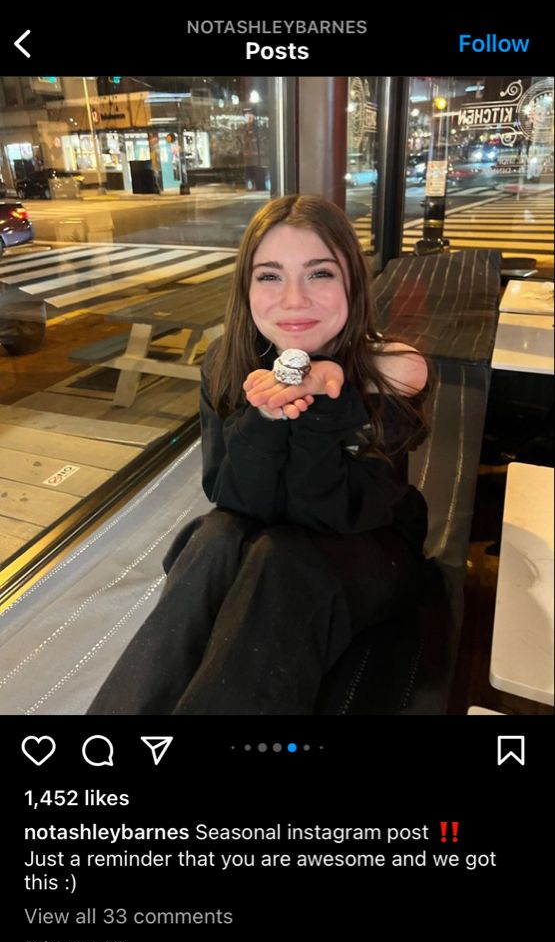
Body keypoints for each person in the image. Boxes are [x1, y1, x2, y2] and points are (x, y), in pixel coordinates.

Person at [88, 194, 431, 716]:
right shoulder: (228, 365)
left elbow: (334, 513)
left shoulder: (385, 370)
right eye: (269, 276)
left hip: (369, 544)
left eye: (319, 274)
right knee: (214, 539)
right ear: (246, 289)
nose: (293, 300)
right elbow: (232, 499)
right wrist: (266, 417)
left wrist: (321, 398)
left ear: (352, 283)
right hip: (265, 532)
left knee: (280, 557)